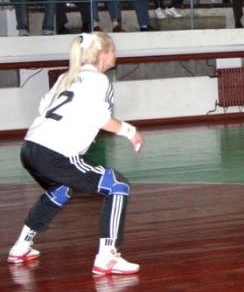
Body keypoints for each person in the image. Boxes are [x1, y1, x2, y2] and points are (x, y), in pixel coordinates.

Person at [6, 32, 143, 275]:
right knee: (117, 185)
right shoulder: (99, 80)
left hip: (30, 148)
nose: (116, 55)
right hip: (56, 153)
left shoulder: (66, 77)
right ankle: (107, 257)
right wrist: (130, 132)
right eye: (113, 50)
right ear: (103, 55)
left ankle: (21, 247)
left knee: (59, 191)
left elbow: (43, 107)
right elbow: (101, 119)